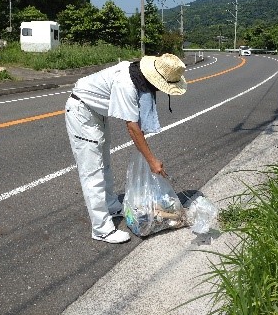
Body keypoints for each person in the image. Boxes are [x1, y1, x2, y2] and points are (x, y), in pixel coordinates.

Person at [65, 53, 187, 243]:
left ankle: (112, 205)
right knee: (92, 173)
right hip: (82, 114)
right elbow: (132, 127)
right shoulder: (127, 84)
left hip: (96, 115)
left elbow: (138, 124)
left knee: (104, 164)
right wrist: (151, 161)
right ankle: (101, 229)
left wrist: (148, 155)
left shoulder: (139, 75)